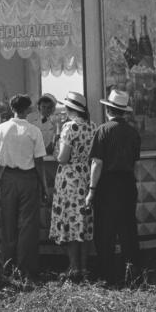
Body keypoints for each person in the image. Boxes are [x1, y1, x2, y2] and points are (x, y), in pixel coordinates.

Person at [0, 93, 48, 278]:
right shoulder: (34, 131)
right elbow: (39, 162)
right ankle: (25, 268)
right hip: (28, 178)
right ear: (29, 109)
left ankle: (7, 265)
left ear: (11, 108)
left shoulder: (1, 129)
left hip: (8, 178)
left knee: (8, 222)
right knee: (28, 225)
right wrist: (44, 187)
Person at [86, 89, 141, 284]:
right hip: (127, 183)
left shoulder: (103, 130)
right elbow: (135, 163)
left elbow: (97, 163)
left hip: (107, 185)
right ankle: (132, 272)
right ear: (124, 111)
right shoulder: (133, 132)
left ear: (109, 109)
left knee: (105, 231)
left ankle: (106, 274)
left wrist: (91, 190)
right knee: (128, 230)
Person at [49, 91, 96, 279]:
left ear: (70, 109)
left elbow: (63, 158)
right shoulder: (92, 126)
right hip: (86, 175)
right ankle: (84, 267)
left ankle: (73, 267)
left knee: (70, 222)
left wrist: (55, 150)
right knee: (83, 223)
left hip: (69, 178)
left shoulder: (70, 127)